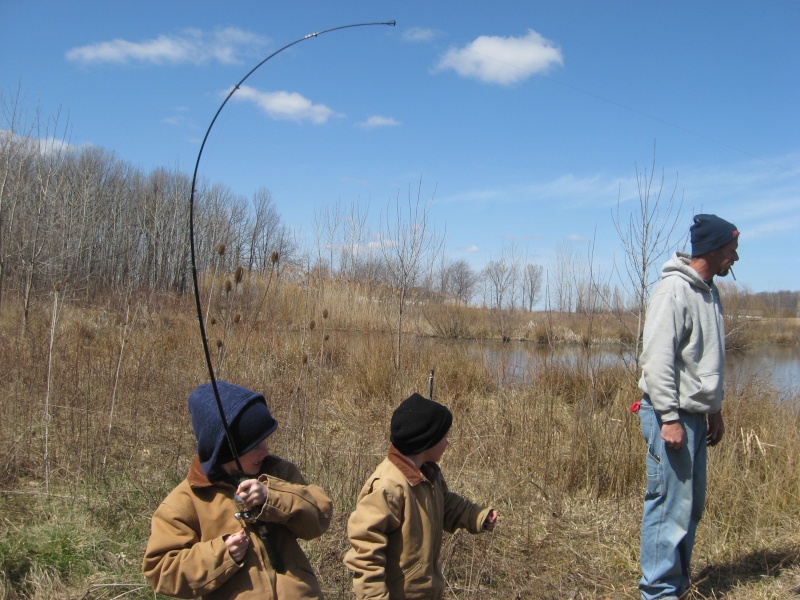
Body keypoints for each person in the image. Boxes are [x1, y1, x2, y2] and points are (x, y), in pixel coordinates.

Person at [143, 380, 333, 599]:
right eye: (255, 447)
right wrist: (222, 554)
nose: (266, 452)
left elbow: (319, 518)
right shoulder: (185, 502)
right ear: (224, 451)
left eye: (265, 442)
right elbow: (161, 571)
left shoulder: (278, 472)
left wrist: (272, 497)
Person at [634, 214, 739, 599]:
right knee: (668, 505)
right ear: (712, 250)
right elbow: (657, 360)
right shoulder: (672, 292)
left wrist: (715, 409)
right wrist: (670, 419)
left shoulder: (709, 292)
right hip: (670, 415)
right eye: (732, 250)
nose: (736, 258)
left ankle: (676, 584)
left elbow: (704, 361)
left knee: (690, 506)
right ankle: (657, 590)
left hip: (695, 414)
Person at [343, 393, 498, 599]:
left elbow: (445, 504)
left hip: (426, 591)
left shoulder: (428, 473)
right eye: (443, 437)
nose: (448, 442)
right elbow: (365, 551)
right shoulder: (387, 486)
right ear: (426, 442)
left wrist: (477, 516)